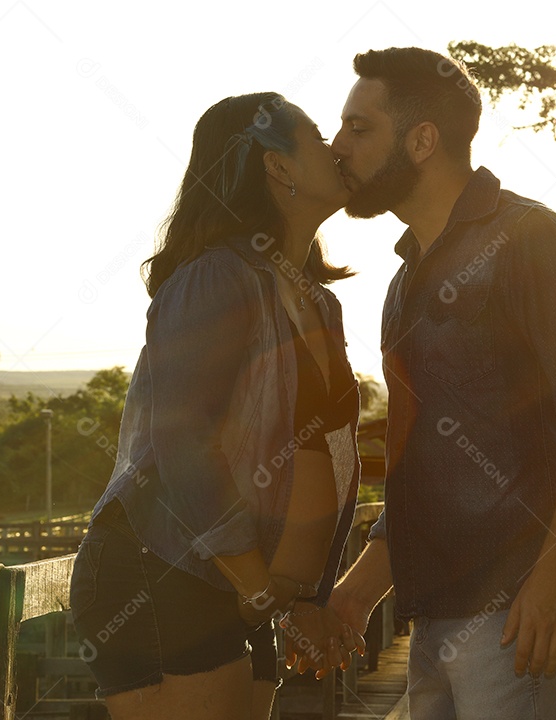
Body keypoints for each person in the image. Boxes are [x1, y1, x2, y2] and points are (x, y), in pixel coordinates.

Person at [315, 47, 556, 719]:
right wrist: (355, 593)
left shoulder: (531, 240)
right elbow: (421, 468)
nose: (337, 145)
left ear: (422, 140)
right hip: (434, 616)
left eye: (358, 127)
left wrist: (555, 576)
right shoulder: (405, 282)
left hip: (520, 615)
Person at [69, 92, 365, 720]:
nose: (337, 146)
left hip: (244, 590)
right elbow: (185, 443)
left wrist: (307, 595)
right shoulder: (217, 277)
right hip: (166, 571)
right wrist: (263, 591)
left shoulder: (321, 303)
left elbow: (327, 452)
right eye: (318, 134)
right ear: (277, 166)